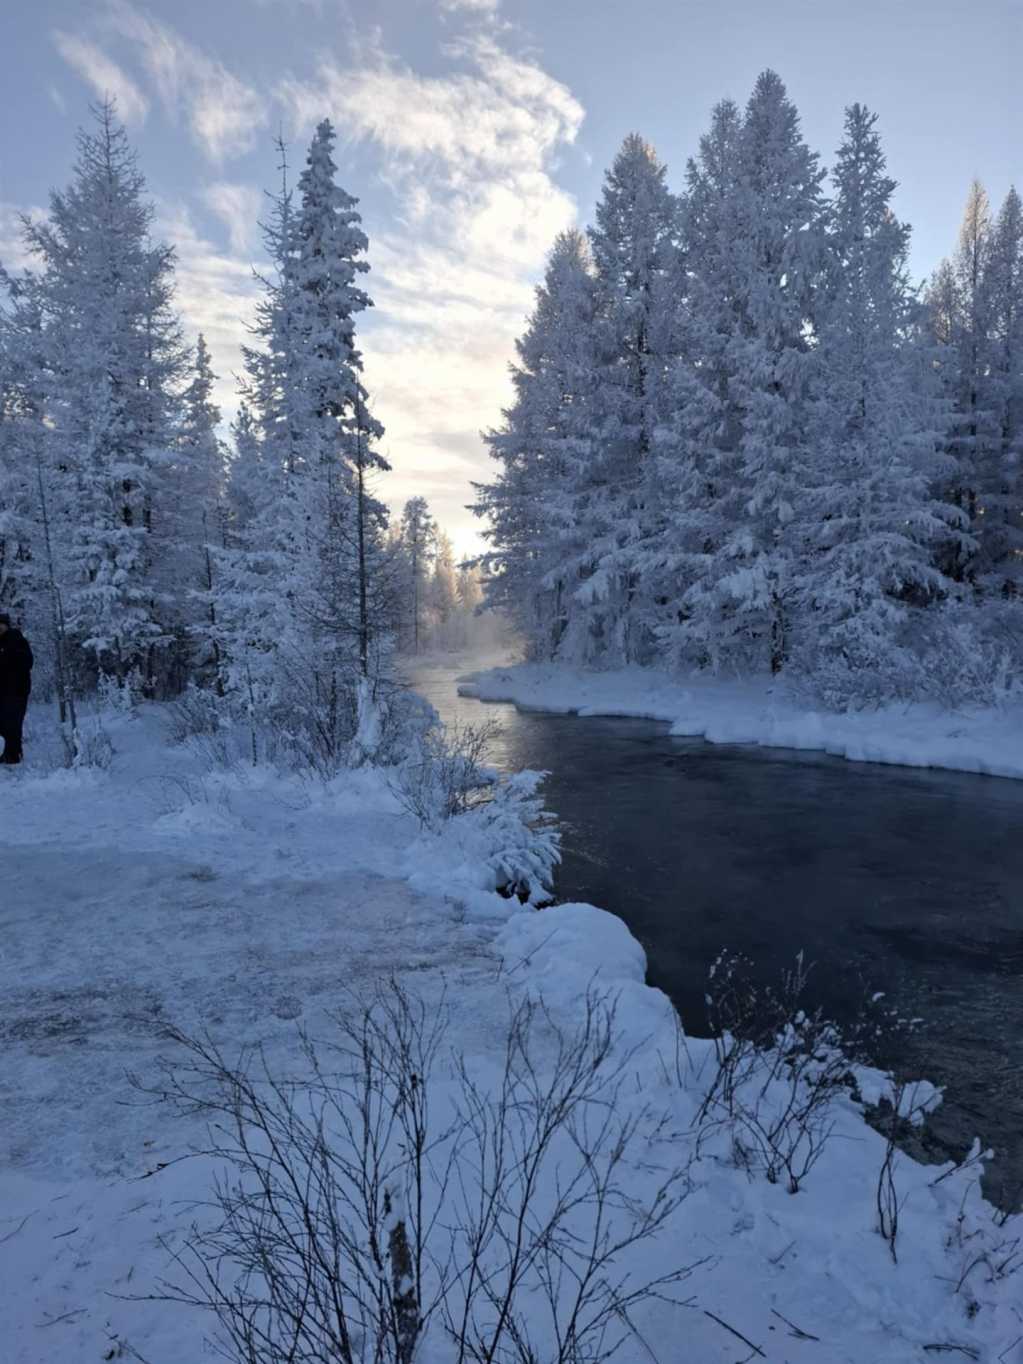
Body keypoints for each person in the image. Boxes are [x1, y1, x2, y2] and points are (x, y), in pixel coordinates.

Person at [0, 613, 33, 765]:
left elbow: (27, 662)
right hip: (3, 691)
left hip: (17, 691)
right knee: (3, 724)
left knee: (13, 723)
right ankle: (8, 753)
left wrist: (9, 658)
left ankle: (13, 756)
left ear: (6, 625)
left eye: (1, 625)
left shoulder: (16, 639)